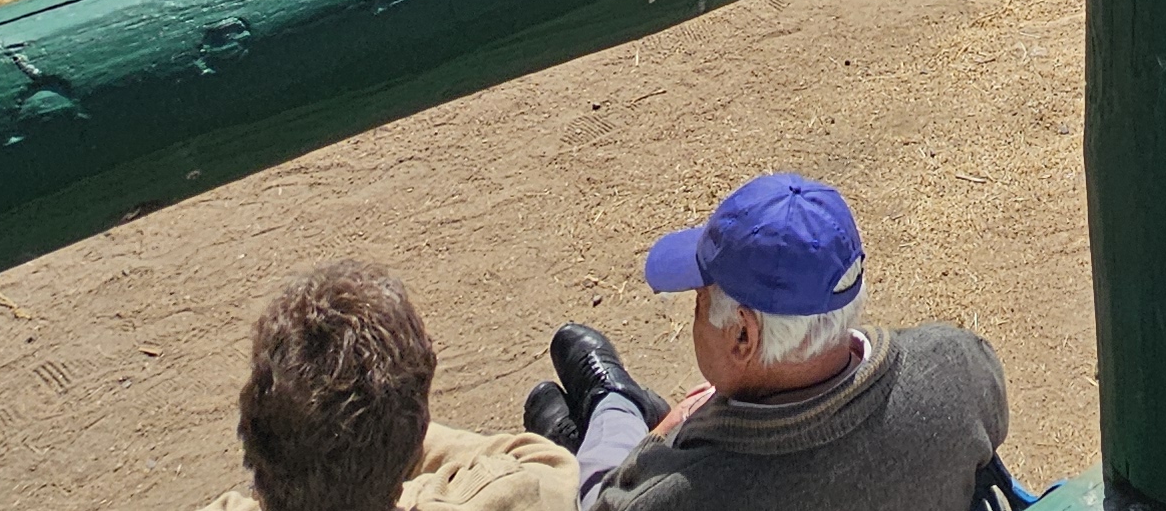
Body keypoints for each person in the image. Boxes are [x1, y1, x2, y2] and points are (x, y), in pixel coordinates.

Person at [542, 174, 1009, 509]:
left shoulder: (682, 495)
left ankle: (612, 406)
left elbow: (610, 503)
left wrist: (665, 433)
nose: (696, 316)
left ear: (744, 334)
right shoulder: (960, 366)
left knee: (586, 480)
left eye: (700, 304)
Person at [205, 262, 575, 511]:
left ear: (252, 429)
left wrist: (324, 445)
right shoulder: (491, 495)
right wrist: (391, 433)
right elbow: (550, 465)